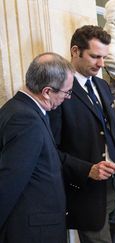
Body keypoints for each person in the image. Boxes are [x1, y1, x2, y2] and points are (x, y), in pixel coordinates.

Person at [48, 25, 115, 243]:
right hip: (86, 193)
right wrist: (87, 170)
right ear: (75, 51)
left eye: (104, 57)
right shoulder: (57, 91)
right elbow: (51, 151)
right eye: (95, 57)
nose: (101, 64)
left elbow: (111, 133)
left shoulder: (102, 85)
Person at [0, 52, 74, 242]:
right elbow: (9, 181)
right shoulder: (25, 119)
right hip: (34, 232)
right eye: (66, 92)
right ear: (47, 91)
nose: (67, 98)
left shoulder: (21, 109)